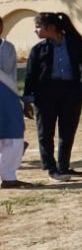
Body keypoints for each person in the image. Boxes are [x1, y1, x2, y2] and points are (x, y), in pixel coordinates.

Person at [22, 12, 82, 183]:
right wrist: (28, 98)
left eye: (38, 27)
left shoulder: (75, 43)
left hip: (71, 92)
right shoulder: (38, 49)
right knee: (45, 132)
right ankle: (51, 168)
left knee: (67, 130)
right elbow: (30, 75)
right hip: (45, 94)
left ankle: (64, 166)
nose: (36, 31)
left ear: (51, 28)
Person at [0, 15, 31, 188]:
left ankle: (9, 176)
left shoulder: (7, 47)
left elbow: (6, 69)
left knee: (13, 135)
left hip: (7, 94)